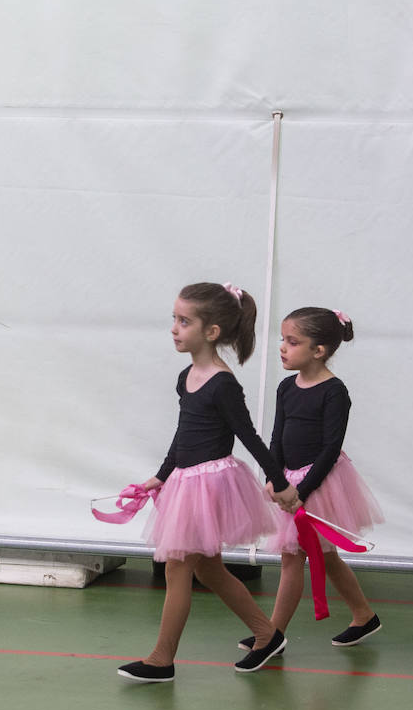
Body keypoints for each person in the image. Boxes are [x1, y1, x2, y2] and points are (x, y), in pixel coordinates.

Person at [117, 282, 299, 683]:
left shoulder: (223, 383)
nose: (174, 328)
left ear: (211, 331)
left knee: (177, 568)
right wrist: (161, 475)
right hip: (186, 481)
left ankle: (162, 659)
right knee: (210, 571)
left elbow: (249, 437)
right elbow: (183, 433)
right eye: (174, 319)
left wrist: (280, 482)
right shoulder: (187, 376)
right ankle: (267, 634)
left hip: (210, 484)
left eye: (185, 321)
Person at [237, 307, 383, 653]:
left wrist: (302, 491)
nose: (282, 347)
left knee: (293, 558)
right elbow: (277, 437)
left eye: (292, 341)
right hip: (290, 481)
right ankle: (364, 615)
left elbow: (331, 448)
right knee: (325, 557)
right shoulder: (287, 387)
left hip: (320, 483)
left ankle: (272, 634)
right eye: (283, 340)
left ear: (318, 350)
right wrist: (275, 477)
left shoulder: (334, 392)